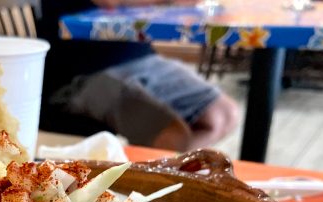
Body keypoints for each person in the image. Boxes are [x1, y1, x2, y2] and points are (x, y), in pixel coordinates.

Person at [37, 0, 239, 151]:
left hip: (137, 55)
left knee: (224, 114)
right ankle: (163, 176)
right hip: (80, 70)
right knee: (174, 135)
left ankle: (162, 173)